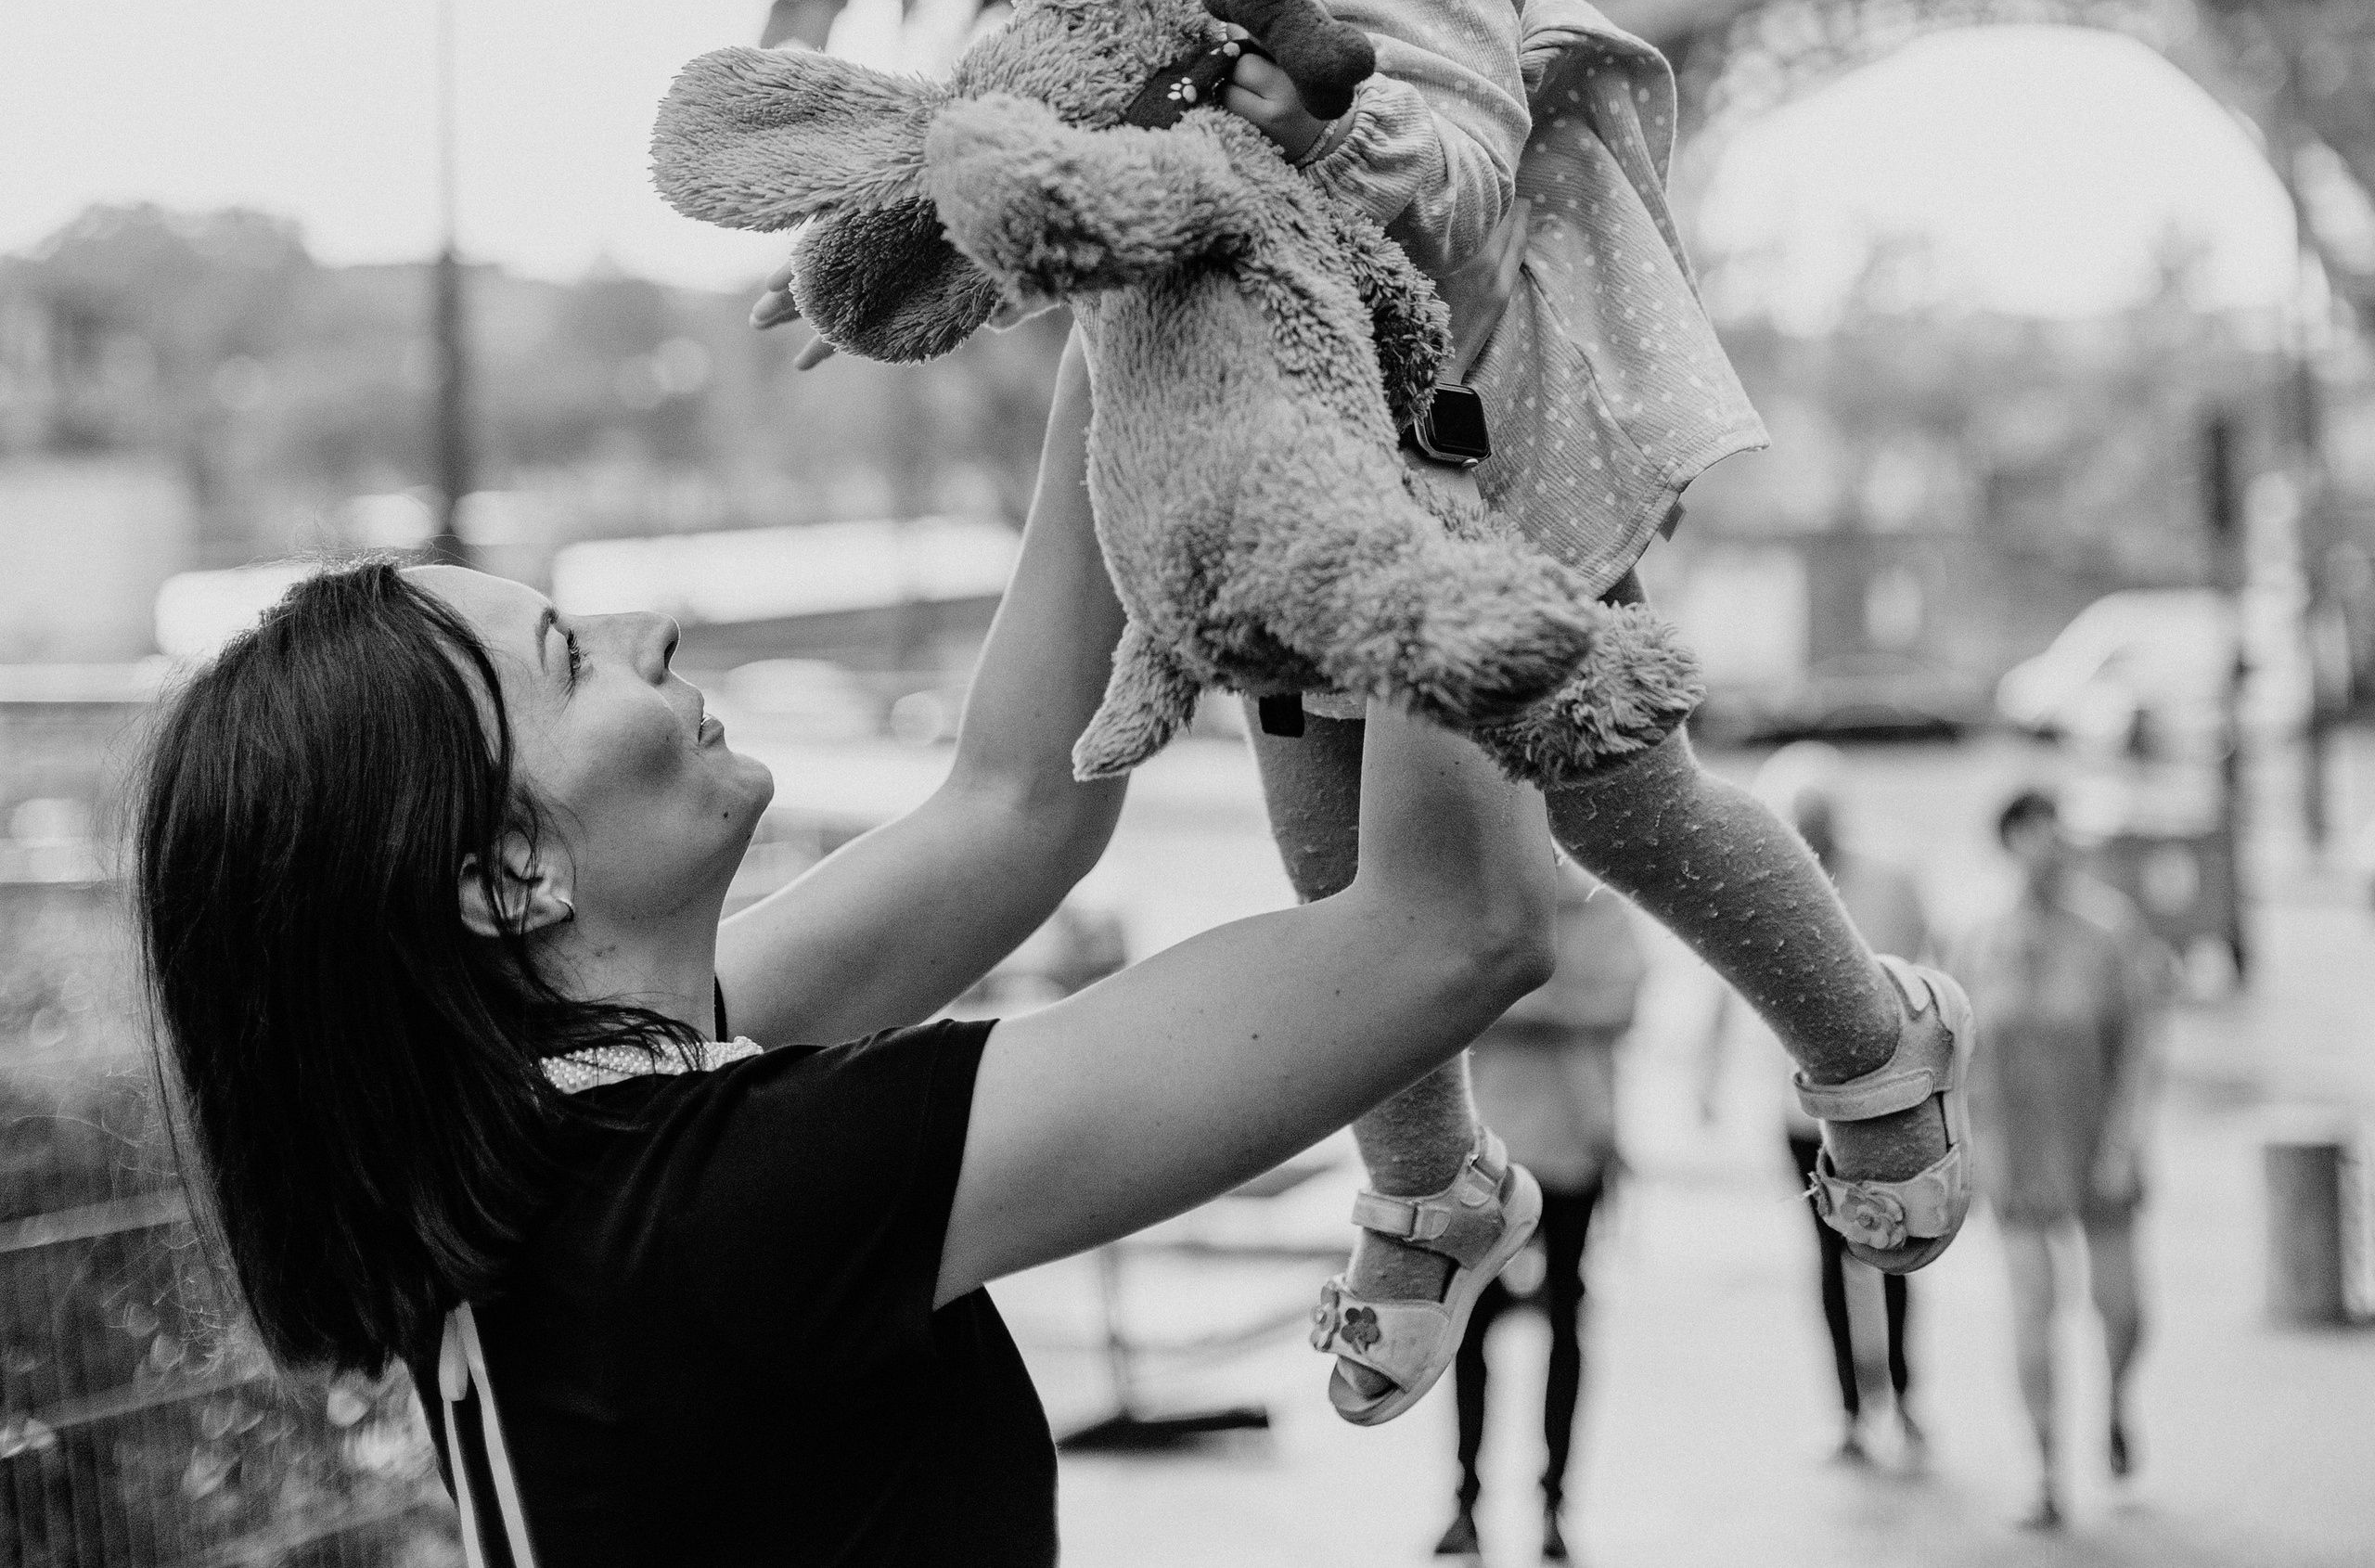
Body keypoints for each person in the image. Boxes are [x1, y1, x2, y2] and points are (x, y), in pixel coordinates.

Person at [1067, 0, 1974, 1427]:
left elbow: (1464, 193)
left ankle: (1865, 1037)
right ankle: (1425, 1181)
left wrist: (1304, 80)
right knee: (1323, 856)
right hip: (1278, 503)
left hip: (1457, 493)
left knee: (1618, 789)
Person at [133, 337, 1560, 1568]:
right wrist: (1441, 451)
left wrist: (1133, 291)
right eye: (575, 654)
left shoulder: (544, 1130)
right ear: (512, 873)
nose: (654, 624)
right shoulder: (728, 1206)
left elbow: (1020, 805)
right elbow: (1448, 934)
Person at [1700, 745, 1933, 1463]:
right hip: (1807, 1113)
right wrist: (1704, 1076)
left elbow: (1931, 979)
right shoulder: (1762, 887)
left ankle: (1902, 1394)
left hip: (1885, 1105)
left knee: (1895, 1249)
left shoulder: (1891, 880)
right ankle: (1851, 1407)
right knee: (1831, 1260)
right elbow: (1723, 979)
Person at [1963, 783, 2166, 1532]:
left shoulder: (2109, 927)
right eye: (2031, 830)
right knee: (2030, 1307)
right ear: (2009, 839)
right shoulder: (1976, 930)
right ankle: (2045, 1468)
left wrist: (2127, 1138)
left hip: (2096, 1139)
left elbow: (2142, 1045)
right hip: (2014, 1146)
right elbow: (1953, 1046)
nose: (2048, 844)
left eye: (2056, 828)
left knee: (2122, 1308)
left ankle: (2116, 1402)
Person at [1437, 864, 1644, 1562]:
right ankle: (1465, 1499)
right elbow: (1448, 1004)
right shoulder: (1487, 898)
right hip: (1487, 1154)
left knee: (1567, 1323)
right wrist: (1565, 1001)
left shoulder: (1595, 903)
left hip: (1575, 1147)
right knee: (1468, 1328)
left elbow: (1622, 1006)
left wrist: (1520, 999)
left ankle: (1554, 1500)